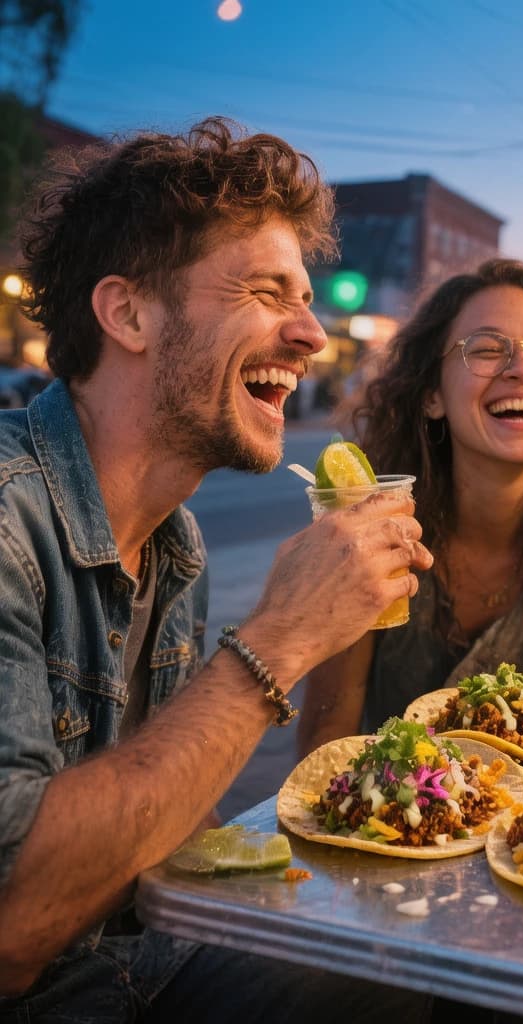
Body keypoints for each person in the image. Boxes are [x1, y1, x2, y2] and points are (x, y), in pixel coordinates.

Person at [0, 118, 435, 1022]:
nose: (313, 333)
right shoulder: (7, 521)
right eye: (268, 292)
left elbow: (152, 821)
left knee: (409, 967)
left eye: (307, 298)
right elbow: (12, 927)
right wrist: (278, 641)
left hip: (120, 960)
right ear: (127, 314)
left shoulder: (175, 546)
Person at [298, 258, 523, 752]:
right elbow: (327, 741)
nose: (522, 369)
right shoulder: (373, 525)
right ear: (432, 395)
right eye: (488, 349)